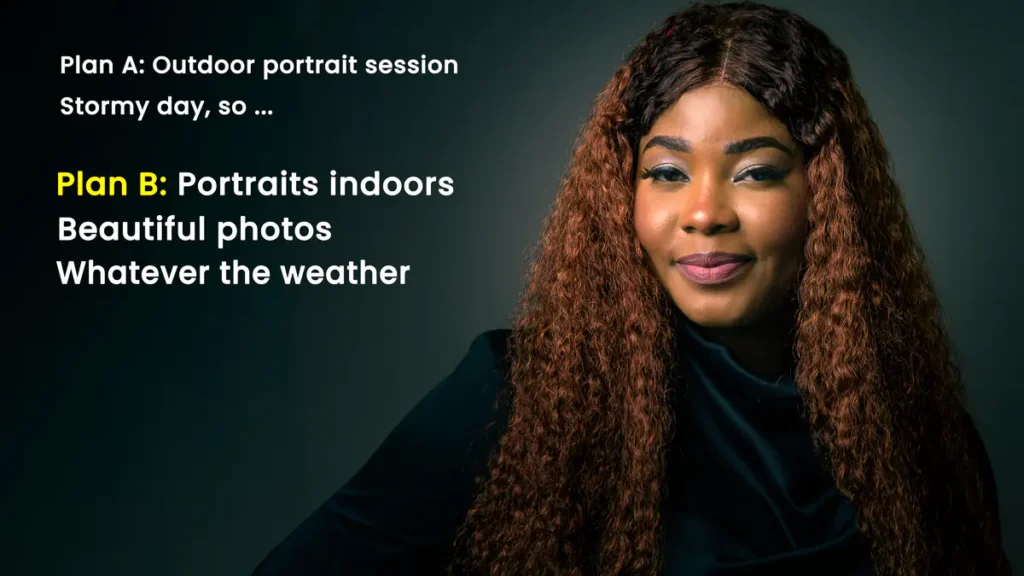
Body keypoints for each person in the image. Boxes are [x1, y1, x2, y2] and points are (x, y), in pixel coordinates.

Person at [251, 2, 1010, 574]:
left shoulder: (923, 438)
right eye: (667, 173)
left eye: (754, 172)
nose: (705, 213)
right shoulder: (519, 397)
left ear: (826, 197)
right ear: (625, 193)